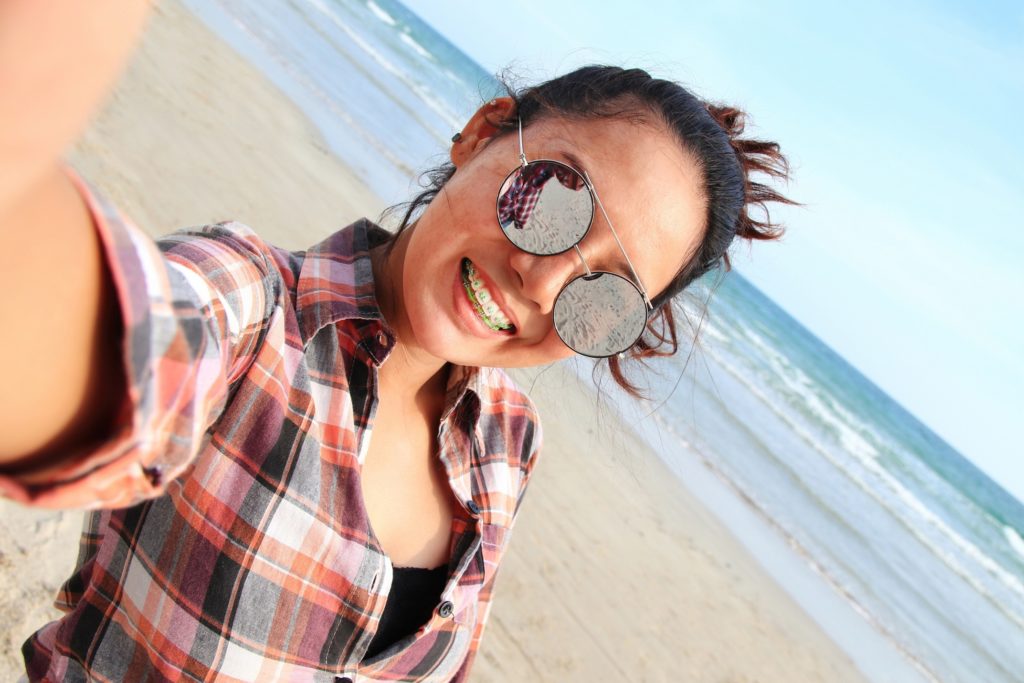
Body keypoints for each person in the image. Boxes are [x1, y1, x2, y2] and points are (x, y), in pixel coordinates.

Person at [0, 2, 793, 681]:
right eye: (554, 199)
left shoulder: (506, 446)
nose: (543, 284)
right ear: (482, 134)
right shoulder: (248, 310)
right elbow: (83, 342)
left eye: (607, 298)